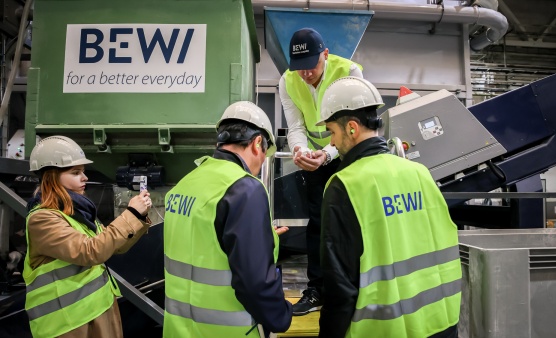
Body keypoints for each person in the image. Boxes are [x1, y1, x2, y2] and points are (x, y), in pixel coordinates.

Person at [317, 77, 462, 338]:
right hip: (441, 322)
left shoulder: (344, 185)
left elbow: (339, 287)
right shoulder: (420, 173)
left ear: (351, 128)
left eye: (332, 132)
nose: (333, 143)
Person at [162, 101, 293, 338]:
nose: (262, 162)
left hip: (179, 330)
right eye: (264, 153)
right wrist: (281, 316)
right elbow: (255, 283)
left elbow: (205, 245)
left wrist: (262, 238)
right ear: (256, 144)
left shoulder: (186, 183)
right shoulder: (245, 189)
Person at [23, 135, 152, 338]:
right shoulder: (42, 219)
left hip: (98, 310)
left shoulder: (77, 212)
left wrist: (138, 218)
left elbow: (113, 246)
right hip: (68, 323)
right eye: (75, 172)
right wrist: (131, 215)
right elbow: (90, 252)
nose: (84, 178)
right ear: (52, 176)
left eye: (83, 172)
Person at [278, 27, 363, 315]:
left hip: (349, 153)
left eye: (310, 65)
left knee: (353, 221)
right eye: (298, 68)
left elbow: (358, 124)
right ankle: (317, 290)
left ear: (325, 55)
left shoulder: (349, 71)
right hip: (314, 157)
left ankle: (354, 288)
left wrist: (328, 154)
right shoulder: (287, 82)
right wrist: (299, 152)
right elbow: (296, 126)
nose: (305, 74)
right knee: (318, 223)